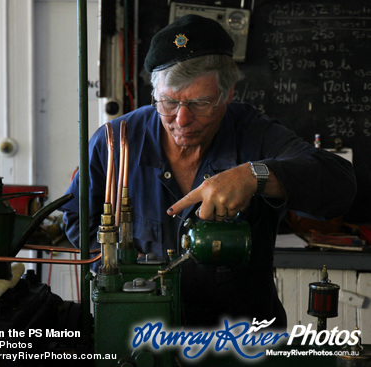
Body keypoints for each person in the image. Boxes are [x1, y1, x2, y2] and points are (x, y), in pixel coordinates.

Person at [60, 14, 356, 330]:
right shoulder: (116, 141)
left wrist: (254, 175)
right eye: (168, 102)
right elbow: (78, 221)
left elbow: (340, 186)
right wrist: (127, 266)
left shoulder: (255, 136)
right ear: (154, 94)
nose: (182, 119)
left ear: (227, 94)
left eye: (201, 103)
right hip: (141, 332)